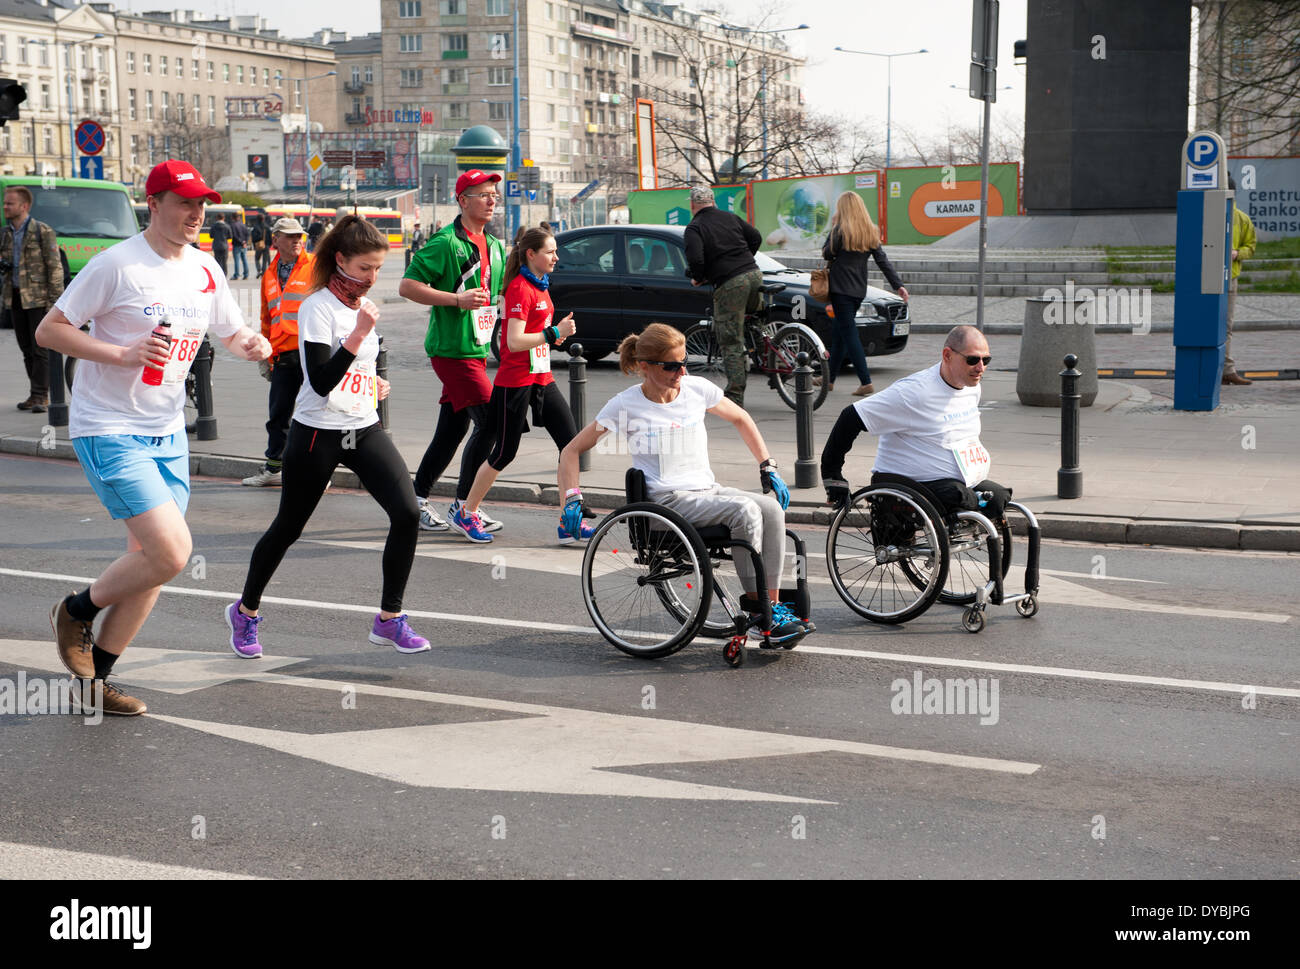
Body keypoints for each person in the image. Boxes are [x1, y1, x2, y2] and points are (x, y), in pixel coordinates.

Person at [34, 160, 272, 716]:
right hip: (110, 426)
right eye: (185, 203)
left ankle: (96, 684)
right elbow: (51, 329)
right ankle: (73, 610)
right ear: (155, 204)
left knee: (149, 562)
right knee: (170, 553)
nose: (196, 213)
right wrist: (120, 352)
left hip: (166, 432)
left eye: (202, 204)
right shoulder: (116, 265)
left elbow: (230, 331)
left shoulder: (206, 268)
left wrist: (250, 344)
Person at [225, 214, 429, 659]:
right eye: (364, 269)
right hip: (318, 432)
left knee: (408, 513)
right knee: (288, 528)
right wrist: (357, 337)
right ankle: (245, 612)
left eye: (377, 269)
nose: (372, 279)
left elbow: (354, 370)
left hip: (363, 427)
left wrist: (373, 383)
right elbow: (319, 380)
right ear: (340, 260)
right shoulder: (317, 306)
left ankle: (390, 620)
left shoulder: (360, 307)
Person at [558, 322, 810, 645]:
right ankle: (762, 610)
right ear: (645, 367)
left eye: (684, 362)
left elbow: (741, 419)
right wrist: (571, 497)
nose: (681, 372)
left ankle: (770, 609)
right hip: (668, 503)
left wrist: (768, 466)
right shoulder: (626, 405)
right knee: (745, 511)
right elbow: (571, 450)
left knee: (771, 509)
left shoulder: (695, 389)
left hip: (707, 492)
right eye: (671, 366)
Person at [459, 224, 587, 544]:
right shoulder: (519, 288)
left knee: (571, 446)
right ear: (531, 254)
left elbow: (538, 335)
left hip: (542, 377)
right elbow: (513, 342)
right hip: (515, 381)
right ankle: (467, 512)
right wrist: (554, 333)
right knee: (504, 452)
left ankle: (568, 520)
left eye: (556, 251)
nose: (557, 257)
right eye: (551, 252)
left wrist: (555, 337)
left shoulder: (541, 284)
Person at [399, 170, 508, 536]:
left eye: (494, 194)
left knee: (453, 429)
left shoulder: (494, 245)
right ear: (462, 200)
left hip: (475, 350)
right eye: (482, 195)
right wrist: (456, 299)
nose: (491, 200)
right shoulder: (446, 242)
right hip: (451, 351)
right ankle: (465, 506)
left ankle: (416, 499)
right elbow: (407, 286)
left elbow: (497, 298)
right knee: (492, 423)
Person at [819, 325, 1012, 523]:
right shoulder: (913, 393)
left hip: (962, 481)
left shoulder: (972, 387)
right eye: (972, 360)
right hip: (912, 484)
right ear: (947, 355)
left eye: (985, 360)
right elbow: (851, 416)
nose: (981, 368)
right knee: (960, 496)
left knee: (998, 497)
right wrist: (832, 474)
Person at [243, 217, 314, 487]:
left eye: (299, 236)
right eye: (290, 236)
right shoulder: (270, 274)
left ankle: (316, 471)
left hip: (312, 353)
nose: (297, 240)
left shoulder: (316, 265)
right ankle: (274, 471)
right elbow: (266, 317)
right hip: (282, 354)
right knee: (279, 416)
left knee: (314, 415)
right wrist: (265, 354)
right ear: (276, 240)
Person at [821, 192, 908, 397]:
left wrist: (833, 229)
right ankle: (829, 379)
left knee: (849, 334)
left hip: (840, 290)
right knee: (839, 333)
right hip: (858, 290)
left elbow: (826, 253)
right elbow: (882, 260)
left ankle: (865, 381)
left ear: (843, 209)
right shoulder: (870, 231)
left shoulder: (839, 230)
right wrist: (898, 285)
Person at [683, 185, 763, 406]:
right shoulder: (730, 217)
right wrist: (744, 259)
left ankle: (735, 396)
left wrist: (699, 277)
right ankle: (774, 360)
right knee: (756, 322)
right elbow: (755, 237)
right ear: (713, 201)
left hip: (731, 283)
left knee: (730, 339)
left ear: (692, 206)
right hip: (754, 274)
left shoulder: (694, 227)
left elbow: (696, 261)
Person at [2, 185, 64, 414]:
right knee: (26, 348)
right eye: (5, 203)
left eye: (10, 203)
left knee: (40, 349)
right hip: (15, 297)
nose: (5, 206)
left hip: (38, 299)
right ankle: (34, 393)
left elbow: (54, 267)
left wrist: (54, 303)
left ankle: (42, 395)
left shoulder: (41, 231)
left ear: (24, 206)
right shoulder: (5, 233)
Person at [1223, 174, 1256, 387]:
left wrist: (1238, 253)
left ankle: (1227, 369)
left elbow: (1250, 246)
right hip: (1206, 278)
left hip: (1230, 278)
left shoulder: (1241, 218)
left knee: (1226, 325)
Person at [209, 212, 231, 277]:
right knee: (224, 261)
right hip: (224, 245)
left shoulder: (213, 226)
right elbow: (230, 236)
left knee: (217, 261)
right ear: (224, 218)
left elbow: (211, 236)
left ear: (217, 218)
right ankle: (225, 274)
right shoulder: (227, 226)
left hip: (216, 245)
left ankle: (218, 275)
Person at [230, 215, 250, 280]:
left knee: (237, 261)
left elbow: (234, 236)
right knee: (244, 260)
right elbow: (247, 234)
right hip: (244, 245)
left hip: (237, 245)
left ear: (233, 218)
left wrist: (241, 242)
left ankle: (236, 275)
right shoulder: (243, 225)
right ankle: (246, 275)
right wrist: (245, 242)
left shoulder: (233, 225)